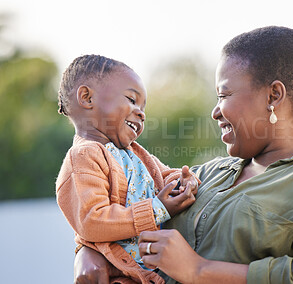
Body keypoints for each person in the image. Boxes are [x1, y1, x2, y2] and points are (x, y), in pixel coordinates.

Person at [74, 27, 293, 284]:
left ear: (273, 95)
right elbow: (117, 209)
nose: (215, 110)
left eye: (224, 95)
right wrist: (86, 252)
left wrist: (198, 270)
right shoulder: (205, 175)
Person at [56, 55, 200, 284]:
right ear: (86, 97)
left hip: (151, 270)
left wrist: (186, 180)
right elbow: (92, 221)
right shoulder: (84, 157)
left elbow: (165, 175)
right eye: (132, 100)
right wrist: (156, 209)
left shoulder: (135, 154)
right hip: (119, 272)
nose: (141, 113)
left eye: (143, 107)